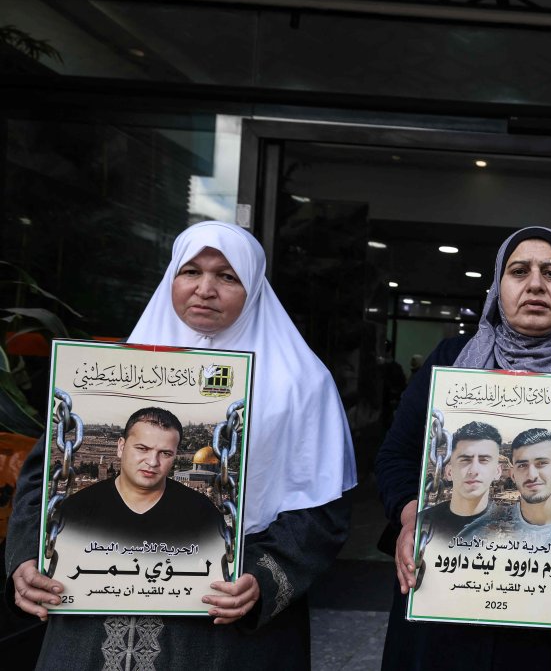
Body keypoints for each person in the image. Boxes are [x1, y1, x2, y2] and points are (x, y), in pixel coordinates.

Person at [5, 221, 357, 668]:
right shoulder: (113, 372)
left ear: (253, 287)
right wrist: (24, 560)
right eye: (190, 271)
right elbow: (44, 477)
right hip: (90, 603)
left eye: (227, 277)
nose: (204, 289)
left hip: (221, 619)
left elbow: (321, 507)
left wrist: (264, 579)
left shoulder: (300, 384)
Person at [375, 226, 551, 671]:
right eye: (519, 271)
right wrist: (410, 517)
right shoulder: (452, 359)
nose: (535, 284)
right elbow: (397, 457)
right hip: (450, 605)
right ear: (498, 286)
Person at [55, 407, 224, 546]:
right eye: (142, 448)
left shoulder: (203, 515)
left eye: (165, 453)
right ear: (121, 447)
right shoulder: (76, 511)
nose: (152, 462)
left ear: (174, 456)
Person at [462, 428, 551, 545]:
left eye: (542, 463)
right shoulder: (478, 532)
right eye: (522, 465)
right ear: (512, 475)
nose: (532, 475)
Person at [422, 421, 505, 541]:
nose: (473, 470)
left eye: (484, 460)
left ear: (497, 472)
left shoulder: (516, 527)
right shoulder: (423, 522)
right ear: (449, 472)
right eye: (465, 460)